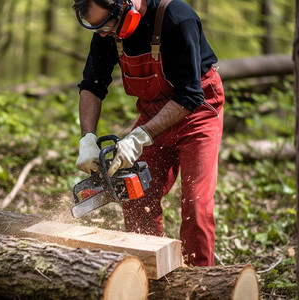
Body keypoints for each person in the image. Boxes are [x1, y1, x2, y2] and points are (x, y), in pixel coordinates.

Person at [72, 0, 224, 266]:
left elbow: (190, 96)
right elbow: (93, 84)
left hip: (198, 114)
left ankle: (201, 281)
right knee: (135, 193)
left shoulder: (177, 19)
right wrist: (87, 138)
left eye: (106, 25)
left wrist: (139, 137)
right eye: (95, 27)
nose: (103, 33)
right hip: (154, 113)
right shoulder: (106, 33)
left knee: (196, 206)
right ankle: (150, 270)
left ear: (125, 6)